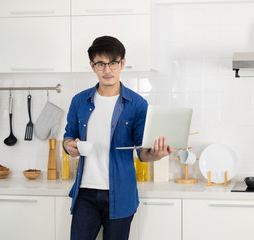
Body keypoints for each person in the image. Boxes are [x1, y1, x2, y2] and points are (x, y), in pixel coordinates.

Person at [63, 36, 173, 240]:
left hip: (120, 194)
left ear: (122, 63)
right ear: (92, 66)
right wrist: (69, 145)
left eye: (113, 63)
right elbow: (69, 137)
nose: (107, 70)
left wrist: (156, 154)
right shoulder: (79, 101)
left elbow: (143, 152)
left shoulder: (137, 104)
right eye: (101, 64)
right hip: (85, 193)